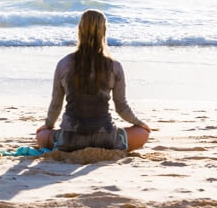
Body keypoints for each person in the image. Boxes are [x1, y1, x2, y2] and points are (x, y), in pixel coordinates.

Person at [36, 9, 150, 152]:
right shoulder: (114, 66)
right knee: (142, 133)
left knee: (42, 135)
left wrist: (47, 125)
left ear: (80, 30)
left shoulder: (64, 64)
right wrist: (139, 123)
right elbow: (121, 107)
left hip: (70, 139)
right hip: (105, 138)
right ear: (104, 31)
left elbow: (56, 105)